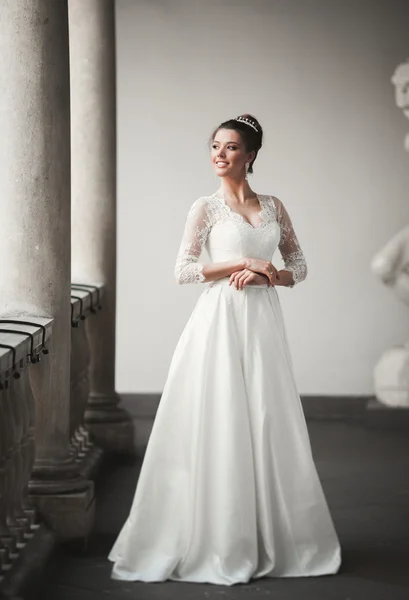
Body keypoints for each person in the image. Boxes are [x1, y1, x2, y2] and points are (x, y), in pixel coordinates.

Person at [108, 114, 342, 585]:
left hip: (261, 322)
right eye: (215, 146)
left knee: (264, 417)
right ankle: (216, 536)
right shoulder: (205, 208)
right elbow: (184, 270)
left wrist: (267, 274)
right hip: (218, 322)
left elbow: (298, 264)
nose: (219, 154)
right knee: (221, 416)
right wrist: (241, 261)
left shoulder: (274, 205)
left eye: (231, 147)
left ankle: (269, 534)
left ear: (251, 155)